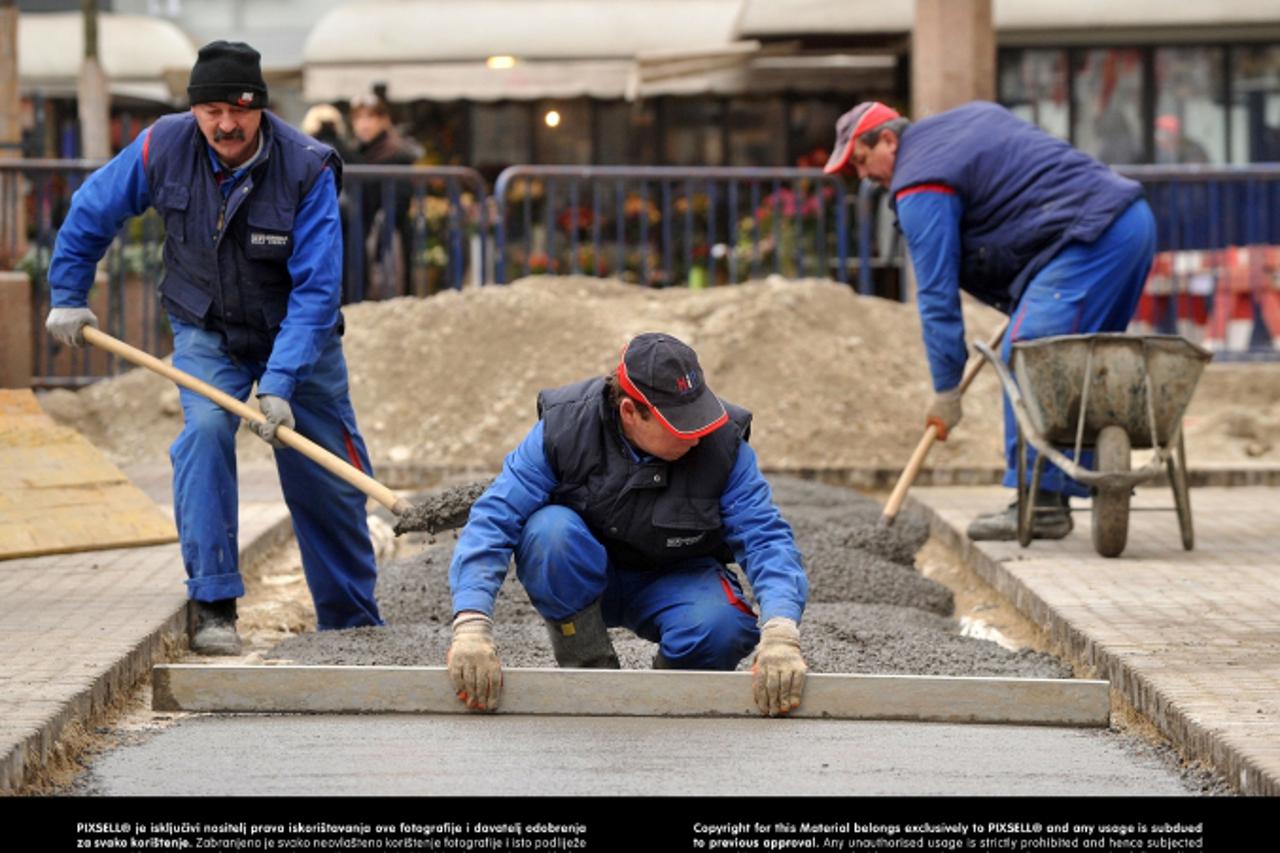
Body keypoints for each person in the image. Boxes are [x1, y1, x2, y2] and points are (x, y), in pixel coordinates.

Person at [44, 40, 382, 653]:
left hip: (297, 340)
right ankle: (214, 606)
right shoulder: (164, 145)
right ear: (195, 111)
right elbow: (94, 207)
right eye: (212, 111)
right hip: (208, 332)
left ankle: (351, 623)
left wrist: (280, 382)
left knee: (326, 475)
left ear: (261, 110)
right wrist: (68, 290)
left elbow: (317, 292)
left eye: (240, 110)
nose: (226, 124)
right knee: (201, 437)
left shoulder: (306, 166)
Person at [824, 100, 1156, 541]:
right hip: (1128, 225)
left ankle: (1040, 504)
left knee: (1026, 353)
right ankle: (1089, 481)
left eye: (862, 162)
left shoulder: (920, 181)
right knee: (1082, 364)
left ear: (887, 139)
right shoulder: (957, 127)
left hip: (1088, 239)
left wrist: (946, 387)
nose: (865, 177)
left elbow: (937, 295)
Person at [446, 333, 809, 716]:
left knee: (722, 625)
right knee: (548, 532)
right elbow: (493, 519)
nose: (699, 434)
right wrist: (471, 623)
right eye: (681, 425)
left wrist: (782, 632)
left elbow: (766, 539)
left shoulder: (724, 446)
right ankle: (591, 677)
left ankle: (664, 704)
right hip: (582, 573)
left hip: (674, 576)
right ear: (630, 412)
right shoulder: (565, 429)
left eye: (699, 415)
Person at [348, 93, 423, 299]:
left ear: (383, 120)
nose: (363, 124)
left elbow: (399, 203)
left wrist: (381, 239)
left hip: (388, 235)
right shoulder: (356, 152)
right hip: (363, 233)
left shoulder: (397, 153)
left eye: (369, 117)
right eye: (358, 118)